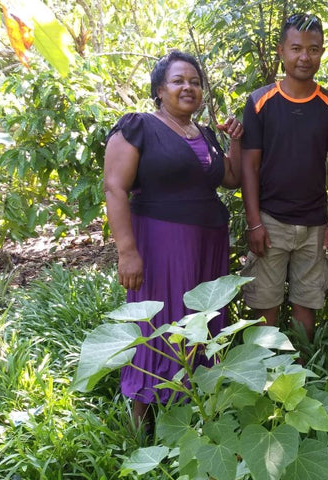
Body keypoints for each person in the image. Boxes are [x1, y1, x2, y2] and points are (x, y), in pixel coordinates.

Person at [103, 50, 243, 425]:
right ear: (159, 89)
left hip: (208, 245)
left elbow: (231, 178)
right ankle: (143, 422)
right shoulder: (139, 127)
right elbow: (115, 188)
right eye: (179, 80)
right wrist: (126, 252)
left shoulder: (206, 135)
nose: (188, 87)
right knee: (162, 322)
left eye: (195, 82)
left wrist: (235, 141)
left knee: (202, 321)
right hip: (161, 243)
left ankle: (196, 413)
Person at [240, 13, 328, 346]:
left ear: (321, 52)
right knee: (264, 301)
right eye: (296, 48)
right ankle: (263, 369)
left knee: (307, 301)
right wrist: (254, 222)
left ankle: (300, 370)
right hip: (271, 222)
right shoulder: (259, 102)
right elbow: (249, 167)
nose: (304, 57)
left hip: (314, 224)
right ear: (281, 51)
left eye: (313, 49)